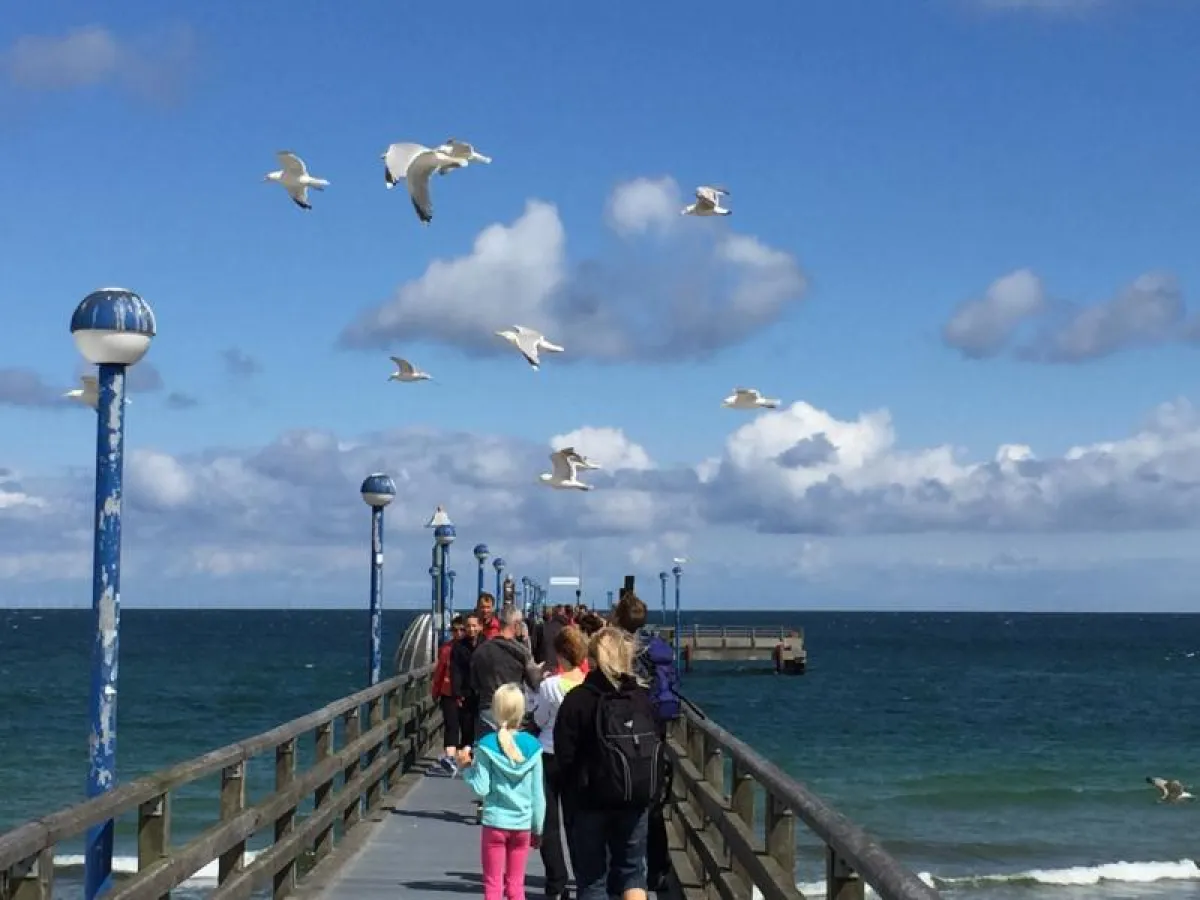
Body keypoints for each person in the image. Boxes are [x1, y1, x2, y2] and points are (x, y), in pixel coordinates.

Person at [554, 627, 664, 900]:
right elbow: (660, 743)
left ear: (590, 660)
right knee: (633, 872)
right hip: (635, 796)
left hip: (589, 799)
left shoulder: (578, 700)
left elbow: (564, 755)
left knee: (592, 880)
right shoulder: (642, 699)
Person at [612, 593, 680, 891]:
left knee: (624, 802)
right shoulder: (657, 648)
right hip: (656, 732)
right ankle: (658, 870)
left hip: (627, 733)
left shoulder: (620, 649)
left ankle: (626, 873)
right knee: (653, 803)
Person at [459, 684, 546, 900]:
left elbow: (481, 787)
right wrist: (538, 828)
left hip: (495, 822)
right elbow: (538, 795)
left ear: (496, 711)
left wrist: (465, 768)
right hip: (522, 825)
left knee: (493, 886)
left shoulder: (487, 745)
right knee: (516, 886)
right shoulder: (533, 746)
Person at [530, 625, 588, 900]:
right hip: (579, 760)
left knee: (549, 823)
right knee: (577, 823)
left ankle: (557, 883)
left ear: (561, 654)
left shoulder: (550, 685)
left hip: (549, 755)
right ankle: (584, 879)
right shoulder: (589, 685)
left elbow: (539, 720)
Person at [471, 605, 545, 740]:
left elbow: (474, 683)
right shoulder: (521, 652)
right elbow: (535, 683)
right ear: (516, 624)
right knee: (510, 755)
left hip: (487, 709)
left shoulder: (481, 650)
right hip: (512, 710)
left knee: (485, 753)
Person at [431, 614, 466, 774]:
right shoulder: (446, 649)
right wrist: (435, 690)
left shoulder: (470, 648)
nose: (458, 633)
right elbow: (439, 671)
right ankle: (450, 758)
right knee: (451, 726)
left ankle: (463, 759)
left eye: (461, 630)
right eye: (455, 630)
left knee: (466, 727)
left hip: (466, 693)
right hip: (448, 691)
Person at [451, 613, 484, 753]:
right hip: (466, 691)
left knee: (483, 727)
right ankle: (467, 758)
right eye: (468, 626)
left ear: (480, 627)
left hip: (483, 692)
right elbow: (455, 670)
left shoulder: (486, 644)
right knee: (467, 728)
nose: (471, 629)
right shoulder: (458, 647)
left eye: (474, 626)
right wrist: (457, 693)